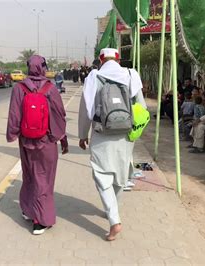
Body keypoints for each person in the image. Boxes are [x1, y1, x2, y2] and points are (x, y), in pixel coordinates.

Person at [78, 48, 146, 241]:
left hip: (102, 134)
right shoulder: (131, 74)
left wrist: (83, 134)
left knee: (101, 174)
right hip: (125, 135)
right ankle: (111, 210)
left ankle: (114, 221)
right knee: (120, 174)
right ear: (118, 59)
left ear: (101, 59)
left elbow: (86, 109)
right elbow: (141, 107)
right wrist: (136, 131)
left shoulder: (94, 76)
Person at [6, 55, 69, 235]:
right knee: (44, 179)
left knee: (30, 176)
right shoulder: (51, 88)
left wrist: (12, 134)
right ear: (43, 68)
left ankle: (27, 210)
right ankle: (40, 221)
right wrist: (62, 139)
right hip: (47, 141)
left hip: (26, 141)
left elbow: (14, 115)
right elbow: (59, 116)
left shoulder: (19, 88)